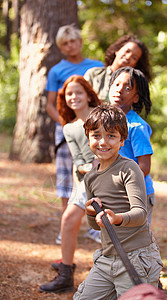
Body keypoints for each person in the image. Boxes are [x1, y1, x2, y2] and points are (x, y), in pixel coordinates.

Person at [73, 104, 163, 300]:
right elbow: (95, 226)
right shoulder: (90, 178)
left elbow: (140, 214)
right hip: (108, 258)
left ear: (122, 140)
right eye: (96, 135)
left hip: (136, 258)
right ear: (88, 138)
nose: (103, 142)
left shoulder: (129, 168)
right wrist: (90, 212)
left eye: (111, 136)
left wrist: (118, 218)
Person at [39, 75, 101, 294]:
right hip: (85, 180)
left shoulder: (100, 116)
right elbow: (79, 162)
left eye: (78, 92)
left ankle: (134, 272)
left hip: (109, 177)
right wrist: (79, 188)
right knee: (68, 219)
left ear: (88, 94)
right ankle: (66, 273)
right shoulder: (69, 128)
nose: (74, 97)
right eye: (69, 94)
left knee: (110, 226)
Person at [46, 24, 103, 244]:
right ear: (61, 47)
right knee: (66, 179)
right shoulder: (57, 71)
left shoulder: (97, 67)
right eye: (65, 43)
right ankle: (67, 224)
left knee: (95, 173)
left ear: (80, 42)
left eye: (73, 41)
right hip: (65, 130)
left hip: (94, 128)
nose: (70, 46)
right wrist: (67, 124)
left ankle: (95, 226)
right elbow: (51, 104)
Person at [108, 66, 155, 225]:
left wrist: (121, 183)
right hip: (115, 193)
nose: (120, 90)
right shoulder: (105, 122)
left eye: (127, 88)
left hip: (137, 195)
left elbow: (144, 167)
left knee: (136, 242)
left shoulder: (136, 127)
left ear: (136, 98)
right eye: (116, 84)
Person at [84, 34, 152, 102]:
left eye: (134, 57)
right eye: (127, 51)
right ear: (117, 50)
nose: (128, 57)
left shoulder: (133, 85)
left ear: (135, 64)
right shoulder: (94, 74)